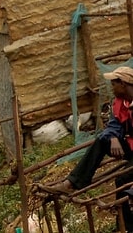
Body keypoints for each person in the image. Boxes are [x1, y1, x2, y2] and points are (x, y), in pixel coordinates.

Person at [46, 66, 133, 224]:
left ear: (124, 84)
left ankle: (125, 225)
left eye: (114, 84)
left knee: (122, 180)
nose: (112, 87)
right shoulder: (120, 103)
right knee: (102, 140)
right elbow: (113, 127)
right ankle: (72, 182)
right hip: (130, 147)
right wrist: (113, 137)